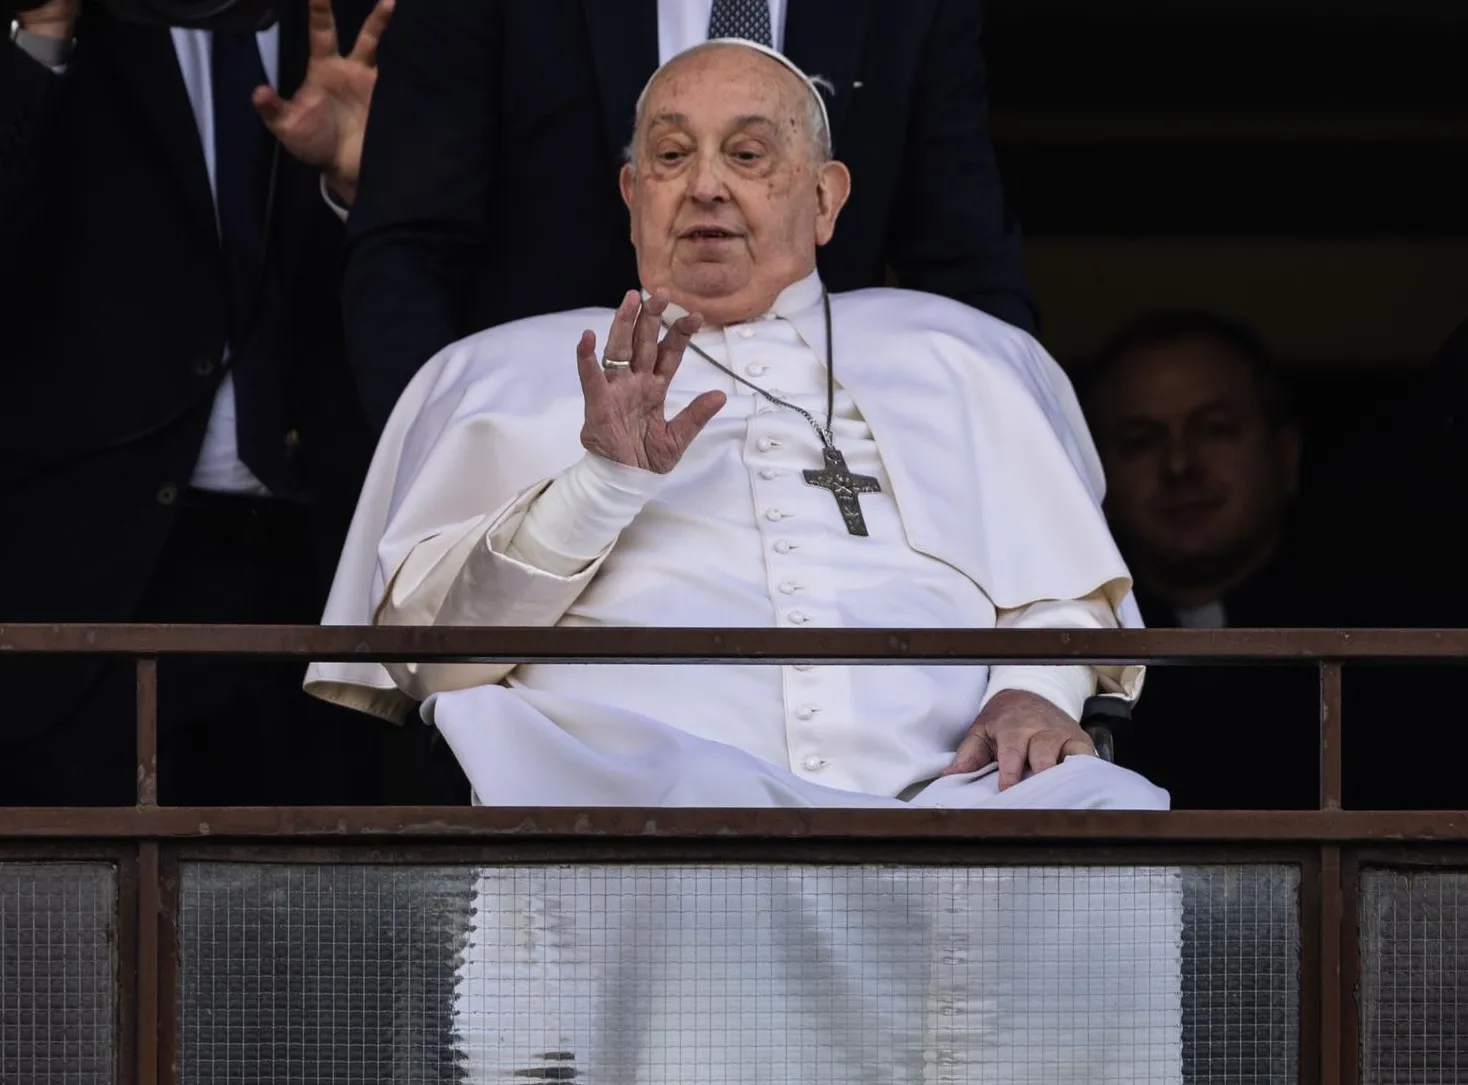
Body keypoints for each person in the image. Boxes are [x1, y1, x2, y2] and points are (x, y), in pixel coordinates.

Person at [310, 41, 1180, 1083]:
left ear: (825, 196)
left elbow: (1060, 588)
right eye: (671, 157)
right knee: (702, 844)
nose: (707, 185)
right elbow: (426, 656)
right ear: (632, 196)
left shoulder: (954, 357)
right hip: (658, 796)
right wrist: (597, 483)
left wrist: (1038, 691)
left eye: (749, 153)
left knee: (1101, 822)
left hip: (954, 796)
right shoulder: (497, 372)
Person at [0, 0, 393, 805]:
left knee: (309, 922)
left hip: (319, 578)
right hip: (85, 580)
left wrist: (355, 185)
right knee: (99, 918)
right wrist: (40, 39)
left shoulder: (355, 21)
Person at [340, 0, 1037, 432]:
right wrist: (450, 462)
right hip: (545, 448)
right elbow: (408, 252)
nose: (706, 187)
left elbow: (966, 267)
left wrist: (995, 464)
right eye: (672, 157)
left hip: (830, 463)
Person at [1082, 312, 1321, 809]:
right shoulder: (1078, 647)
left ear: (1286, 456)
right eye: (1139, 442)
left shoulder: (1386, 645)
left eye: (1215, 430)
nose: (1179, 465)